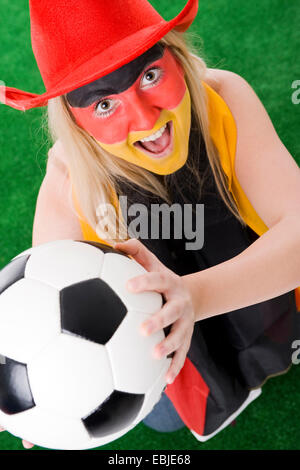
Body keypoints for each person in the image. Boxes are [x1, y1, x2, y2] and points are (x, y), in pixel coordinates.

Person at [1, 0, 300, 449]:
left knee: (276, 334)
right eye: (104, 104)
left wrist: (195, 295)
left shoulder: (223, 102)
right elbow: (40, 320)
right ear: (76, 123)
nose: (145, 120)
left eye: (150, 76)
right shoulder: (69, 184)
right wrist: (42, 395)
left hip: (258, 290)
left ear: (176, 56)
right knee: (162, 417)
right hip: (170, 348)